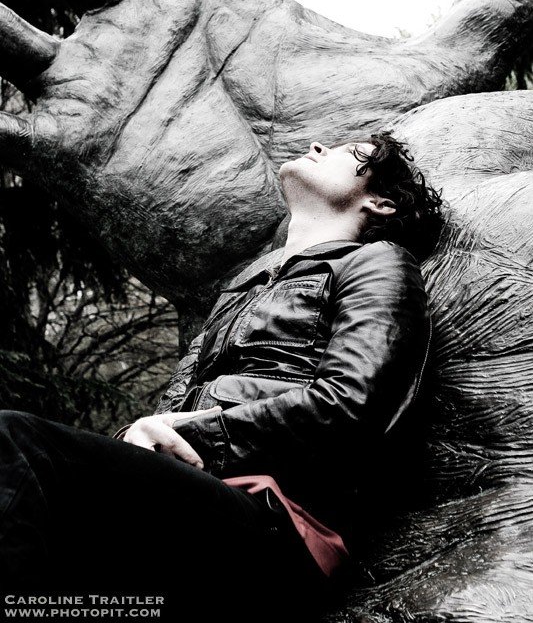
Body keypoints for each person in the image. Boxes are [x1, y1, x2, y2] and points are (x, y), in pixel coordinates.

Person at [0, 131, 443, 623]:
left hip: (280, 523)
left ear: (380, 203)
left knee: (14, 439)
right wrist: (134, 437)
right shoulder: (241, 285)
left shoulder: (379, 262)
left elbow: (352, 403)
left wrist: (196, 434)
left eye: (349, 153)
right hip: (190, 501)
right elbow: (168, 412)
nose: (319, 147)